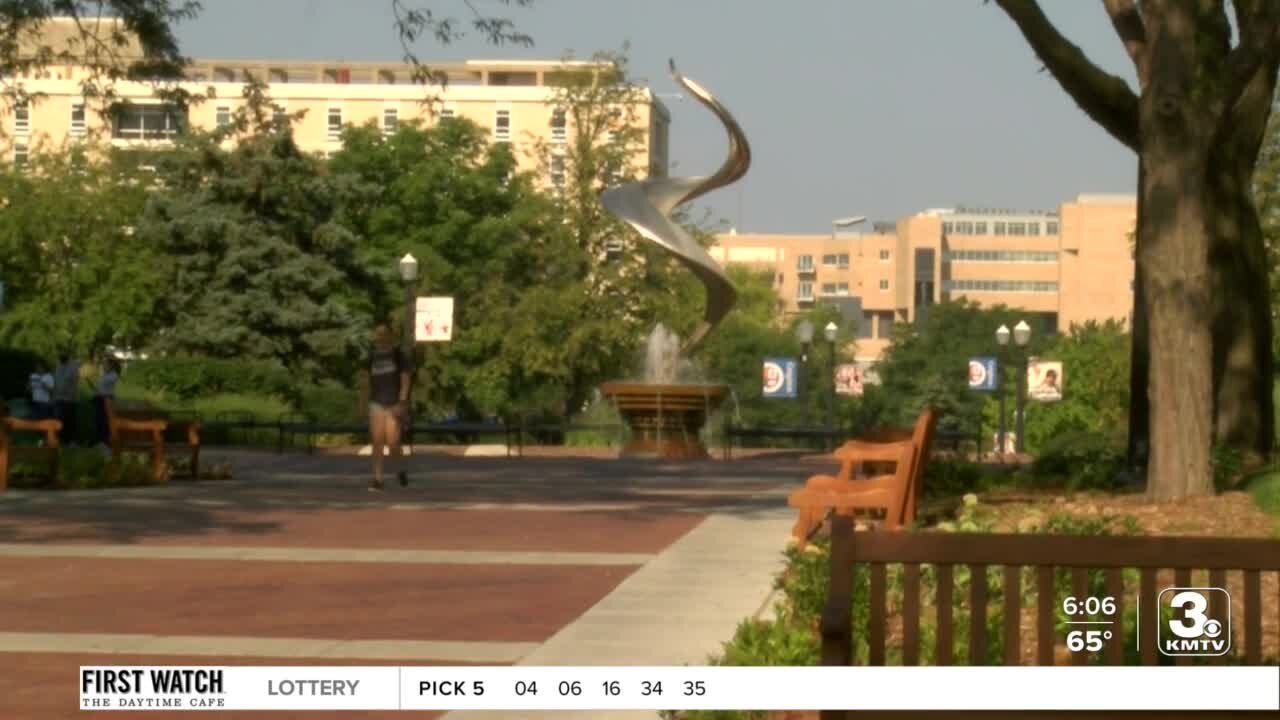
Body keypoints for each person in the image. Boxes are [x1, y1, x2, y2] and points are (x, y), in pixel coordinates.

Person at [359, 323, 411, 491]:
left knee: (393, 442)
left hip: (394, 403)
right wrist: (361, 402)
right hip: (376, 403)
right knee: (377, 441)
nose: (380, 337)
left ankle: (401, 469)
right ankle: (378, 479)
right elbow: (366, 383)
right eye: (378, 334)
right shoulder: (371, 357)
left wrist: (402, 403)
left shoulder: (398, 355)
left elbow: (405, 380)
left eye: (384, 334)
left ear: (390, 336)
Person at [53, 352, 82, 446]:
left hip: (70, 399)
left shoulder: (73, 367)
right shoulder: (59, 367)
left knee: (71, 421)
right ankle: (61, 440)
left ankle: (71, 441)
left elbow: (69, 381)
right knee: (60, 421)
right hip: (59, 399)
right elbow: (57, 382)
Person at [93, 357, 121, 450]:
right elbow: (99, 386)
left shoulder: (113, 375)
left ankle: (106, 442)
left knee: (105, 420)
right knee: (98, 420)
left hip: (106, 399)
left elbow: (105, 383)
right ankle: (100, 441)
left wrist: (102, 374)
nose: (104, 366)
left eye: (106, 364)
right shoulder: (105, 374)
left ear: (111, 365)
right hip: (99, 398)